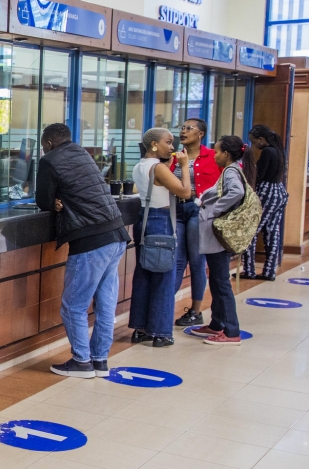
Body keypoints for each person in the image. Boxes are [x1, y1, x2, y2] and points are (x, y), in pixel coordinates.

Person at [35, 123, 128, 379]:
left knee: (73, 305)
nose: (43, 150)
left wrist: (53, 201)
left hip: (91, 241)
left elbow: (42, 200)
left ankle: (81, 361)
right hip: (116, 235)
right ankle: (99, 360)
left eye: (44, 146)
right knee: (105, 304)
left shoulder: (50, 160)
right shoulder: (82, 153)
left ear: (49, 143)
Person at [129, 128, 192, 347]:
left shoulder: (139, 166)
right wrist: (185, 166)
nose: (172, 147)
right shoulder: (158, 168)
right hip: (161, 221)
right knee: (164, 278)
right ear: (154, 144)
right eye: (168, 142)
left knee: (144, 274)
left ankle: (140, 328)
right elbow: (185, 192)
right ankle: (161, 332)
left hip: (144, 220)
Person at [191, 136, 256, 346]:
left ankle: (231, 330)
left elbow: (236, 192)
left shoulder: (230, 171)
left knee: (221, 282)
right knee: (217, 280)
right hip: (216, 236)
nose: (215, 155)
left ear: (226, 154)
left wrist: (216, 209)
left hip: (218, 235)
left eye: (217, 152)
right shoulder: (234, 169)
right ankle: (217, 323)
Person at [168, 118, 221, 327]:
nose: (183, 131)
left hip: (198, 210)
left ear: (200, 134)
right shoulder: (174, 157)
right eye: (182, 128)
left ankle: (196, 310)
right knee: (177, 260)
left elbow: (219, 187)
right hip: (176, 209)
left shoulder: (211, 156)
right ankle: (165, 306)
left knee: (197, 261)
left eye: (189, 128)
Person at [243, 125, 289, 279]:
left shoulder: (267, 151)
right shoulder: (278, 150)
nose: (254, 146)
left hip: (266, 192)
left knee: (251, 230)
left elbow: (260, 175)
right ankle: (270, 270)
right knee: (272, 232)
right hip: (279, 191)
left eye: (254, 142)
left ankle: (249, 270)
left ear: (261, 139)